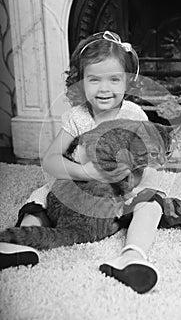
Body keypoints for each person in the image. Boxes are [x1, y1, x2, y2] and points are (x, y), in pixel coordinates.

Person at [0, 31, 163, 294]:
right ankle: (21, 241)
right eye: (94, 79)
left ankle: (133, 255)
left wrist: (125, 179)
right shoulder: (77, 117)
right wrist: (84, 171)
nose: (104, 88)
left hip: (119, 194)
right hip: (78, 190)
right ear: (80, 82)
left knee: (152, 201)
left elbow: (143, 159)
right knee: (40, 197)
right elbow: (51, 161)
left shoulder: (134, 114)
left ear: (128, 83)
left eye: (114, 79)